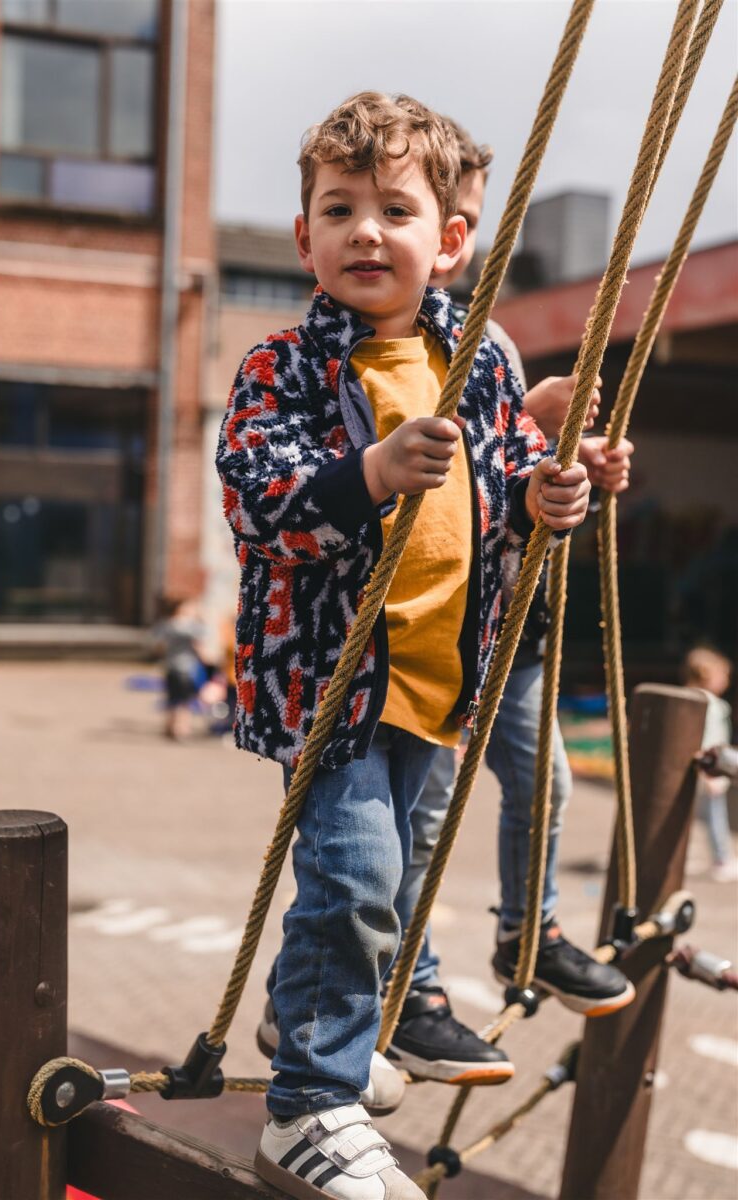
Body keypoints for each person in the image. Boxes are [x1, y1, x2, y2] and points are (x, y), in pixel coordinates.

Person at [217, 92, 592, 1200]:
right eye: (339, 210)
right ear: (304, 239)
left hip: (440, 681)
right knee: (358, 873)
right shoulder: (280, 365)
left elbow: (498, 504)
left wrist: (544, 495)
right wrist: (369, 474)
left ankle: (311, 1023)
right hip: (330, 686)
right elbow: (258, 500)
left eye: (395, 209)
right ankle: (310, 1108)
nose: (366, 231)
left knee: (379, 882)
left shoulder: (477, 366)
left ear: (450, 239)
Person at [386, 118, 637, 1089]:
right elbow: (456, 464)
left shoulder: (478, 336)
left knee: (548, 784)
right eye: (443, 216)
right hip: (441, 632)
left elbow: (501, 457)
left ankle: (525, 934)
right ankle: (405, 988)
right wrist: (525, 431)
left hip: (508, 630)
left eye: (469, 223)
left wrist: (561, 454)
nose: (457, 243)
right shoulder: (399, 337)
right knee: (419, 816)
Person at [683, 647, 737, 882]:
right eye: (723, 676)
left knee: (686, 814)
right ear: (706, 675)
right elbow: (709, 740)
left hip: (691, 768)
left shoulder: (685, 698)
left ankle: (683, 854)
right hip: (710, 769)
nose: (726, 681)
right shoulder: (711, 705)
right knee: (715, 816)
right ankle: (722, 858)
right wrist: (712, 773)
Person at [152, 595, 209, 741]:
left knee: (172, 698)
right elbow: (199, 644)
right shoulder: (192, 626)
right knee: (185, 700)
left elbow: (158, 646)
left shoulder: (166, 624)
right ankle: (182, 729)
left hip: (170, 666)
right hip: (187, 667)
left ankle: (170, 726)